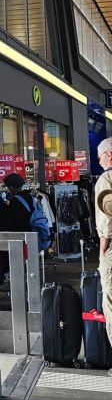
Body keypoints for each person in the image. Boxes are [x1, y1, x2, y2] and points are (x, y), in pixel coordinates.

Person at [94, 138, 112, 362]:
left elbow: (106, 223)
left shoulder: (106, 179)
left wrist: (102, 253)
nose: (99, 162)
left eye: (100, 158)